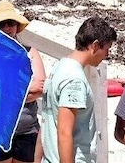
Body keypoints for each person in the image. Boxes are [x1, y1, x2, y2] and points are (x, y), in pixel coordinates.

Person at [40, 17, 117, 163]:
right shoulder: (74, 80)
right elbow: (64, 132)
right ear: (95, 46)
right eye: (106, 49)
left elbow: (46, 120)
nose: (107, 55)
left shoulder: (59, 67)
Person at [0, 1, 47, 163]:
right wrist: (25, 90)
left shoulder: (30, 53)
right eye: (2, 24)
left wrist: (8, 93)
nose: (8, 28)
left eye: (11, 23)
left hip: (27, 130)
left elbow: (39, 89)